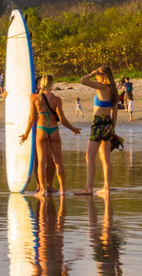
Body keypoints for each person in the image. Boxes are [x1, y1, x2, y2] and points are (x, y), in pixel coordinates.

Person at [20, 75, 81, 196]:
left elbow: (32, 118)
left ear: (41, 84)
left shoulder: (35, 99)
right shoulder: (57, 99)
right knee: (58, 161)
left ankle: (42, 190)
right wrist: (73, 129)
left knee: (42, 162)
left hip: (41, 129)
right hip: (53, 129)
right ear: (52, 84)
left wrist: (26, 134)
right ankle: (62, 190)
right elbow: (62, 119)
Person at [75, 67, 118, 196]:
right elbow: (114, 113)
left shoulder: (102, 87)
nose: (96, 76)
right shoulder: (113, 90)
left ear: (104, 76)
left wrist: (90, 73)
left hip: (98, 123)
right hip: (108, 124)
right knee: (105, 158)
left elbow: (82, 80)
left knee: (89, 156)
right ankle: (106, 187)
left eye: (98, 74)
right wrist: (112, 130)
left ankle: (89, 188)